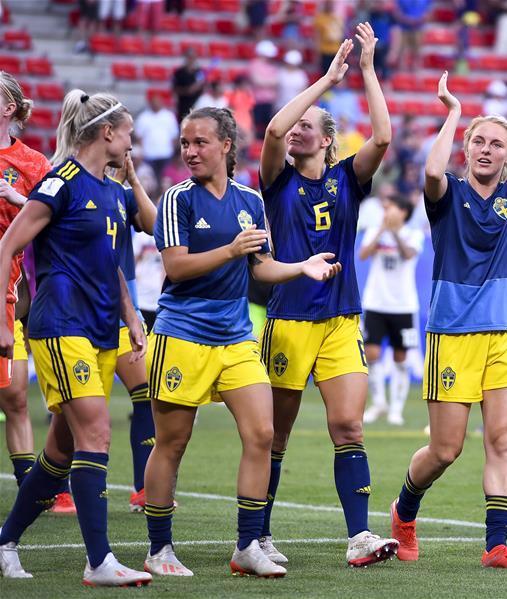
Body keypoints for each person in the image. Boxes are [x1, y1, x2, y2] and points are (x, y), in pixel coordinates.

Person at [141, 106, 341, 579]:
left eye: (200, 142)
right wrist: (230, 249)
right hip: (182, 335)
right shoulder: (176, 199)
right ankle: (158, 548)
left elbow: (261, 266)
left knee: (262, 434)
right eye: (185, 143)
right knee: (172, 442)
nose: (190, 151)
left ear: (226, 145)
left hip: (235, 337)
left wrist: (300, 267)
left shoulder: (250, 199)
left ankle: (248, 545)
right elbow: (176, 267)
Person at [388, 64, 507, 570]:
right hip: (452, 333)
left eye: (497, 144)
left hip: (506, 333)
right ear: (467, 148)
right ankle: (405, 511)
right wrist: (455, 113)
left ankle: (497, 545)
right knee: (445, 450)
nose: (486, 149)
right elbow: (431, 173)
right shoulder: (447, 197)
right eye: (478, 142)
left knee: (503, 438)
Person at [257, 24, 399, 567]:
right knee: (276, 432)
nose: (296, 132)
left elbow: (382, 139)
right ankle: (260, 533)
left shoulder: (347, 178)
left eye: (308, 127)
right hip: (290, 317)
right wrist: (326, 79)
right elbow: (272, 130)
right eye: (297, 124)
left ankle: (360, 537)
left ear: (328, 137)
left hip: (340, 318)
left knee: (349, 425)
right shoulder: (277, 179)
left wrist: (365, 70)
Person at [0, 89, 152, 586]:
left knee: (61, 452)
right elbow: (8, 244)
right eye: (128, 132)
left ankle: (4, 542)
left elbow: (112, 266)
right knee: (97, 433)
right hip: (62, 325)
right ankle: (99, 562)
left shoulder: (112, 189)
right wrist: (2, 322)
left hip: (103, 328)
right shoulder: (59, 182)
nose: (132, 142)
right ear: (108, 133)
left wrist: (130, 315)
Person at [0, 72, 51, 488]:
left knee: (16, 395)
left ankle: (29, 488)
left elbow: (55, 223)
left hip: (8, 292)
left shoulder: (35, 165)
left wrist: (20, 200)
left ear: (8, 108)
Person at [110, 153, 158, 513]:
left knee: (146, 396)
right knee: (73, 416)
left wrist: (133, 181)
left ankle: (143, 488)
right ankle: (56, 489)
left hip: (127, 313)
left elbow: (155, 226)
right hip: (80, 313)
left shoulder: (123, 195)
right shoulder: (67, 184)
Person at [359, 194, 423, 426]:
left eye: (391, 207)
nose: (386, 212)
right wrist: (381, 230)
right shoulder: (375, 231)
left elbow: (408, 255)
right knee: (372, 354)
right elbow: (363, 254)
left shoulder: (413, 234)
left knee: (400, 357)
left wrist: (394, 232)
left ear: (403, 212)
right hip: (375, 303)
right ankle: (378, 403)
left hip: (403, 306)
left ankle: (396, 408)